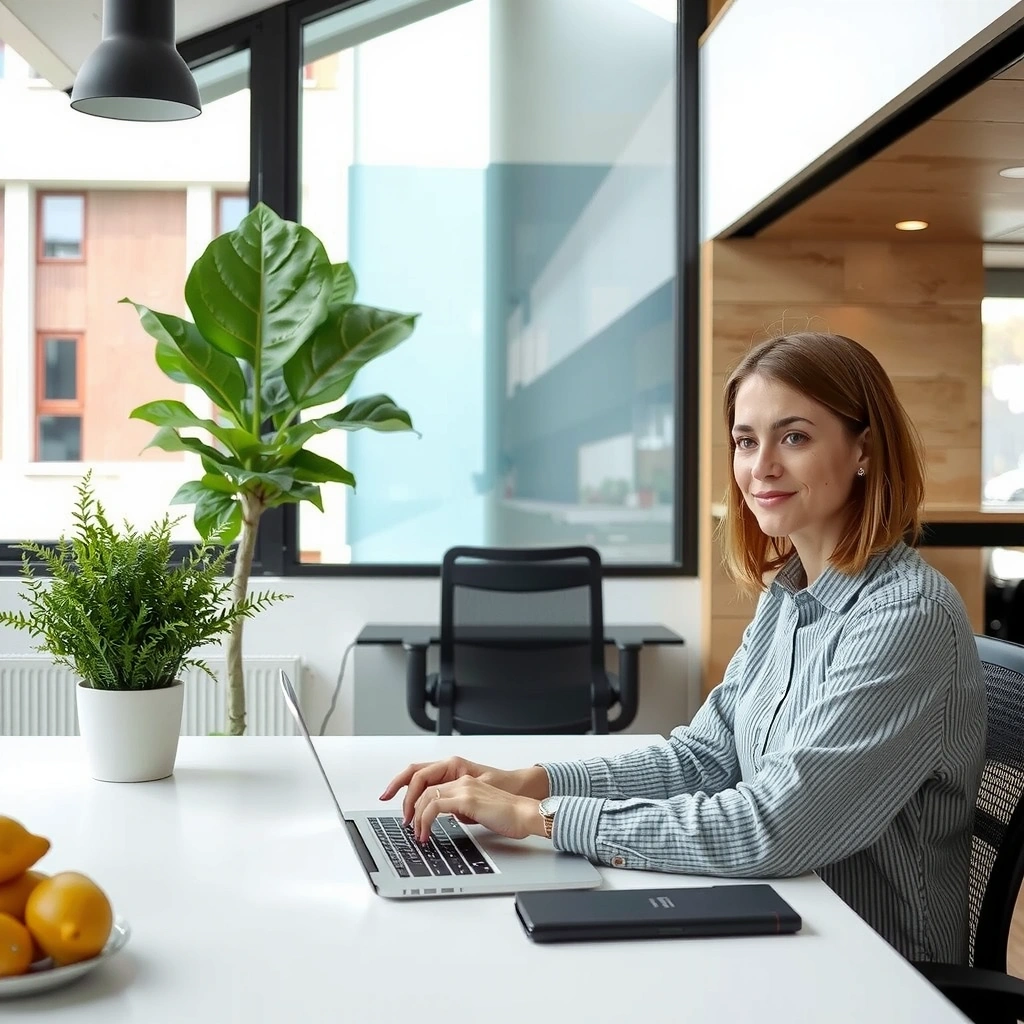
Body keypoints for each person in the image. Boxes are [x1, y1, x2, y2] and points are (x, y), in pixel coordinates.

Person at [380, 331, 987, 964]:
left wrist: (543, 819)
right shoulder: (791, 595)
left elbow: (771, 828)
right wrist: (530, 783)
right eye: (746, 441)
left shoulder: (905, 618)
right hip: (783, 921)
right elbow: (703, 758)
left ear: (864, 449)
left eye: (795, 437)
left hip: (870, 971)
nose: (761, 467)